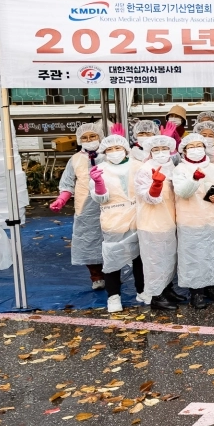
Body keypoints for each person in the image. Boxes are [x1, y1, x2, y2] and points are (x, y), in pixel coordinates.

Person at [172, 134, 214, 309]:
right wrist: (194, 179)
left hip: (213, 218)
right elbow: (183, 192)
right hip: (190, 219)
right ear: (184, 150)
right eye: (191, 146)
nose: (196, 149)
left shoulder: (212, 167)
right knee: (194, 256)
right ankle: (196, 291)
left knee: (213, 253)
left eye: (199, 145)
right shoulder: (180, 169)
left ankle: (211, 286)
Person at [89, 134, 142, 313]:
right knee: (112, 258)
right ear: (103, 152)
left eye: (117, 148)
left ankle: (142, 291)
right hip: (113, 219)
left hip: (139, 216)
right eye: (109, 149)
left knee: (140, 258)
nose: (113, 152)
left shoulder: (137, 166)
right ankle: (113, 296)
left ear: (125, 149)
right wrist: (98, 183)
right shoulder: (100, 169)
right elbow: (100, 198)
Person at [50, 122, 106, 291]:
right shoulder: (75, 159)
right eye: (85, 138)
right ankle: (96, 276)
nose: (89, 140)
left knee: (111, 239)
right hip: (86, 207)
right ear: (79, 140)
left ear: (100, 137)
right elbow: (67, 183)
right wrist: (61, 199)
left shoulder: (109, 155)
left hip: (110, 204)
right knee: (87, 241)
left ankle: (113, 274)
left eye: (92, 136)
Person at [134, 135, 181, 311]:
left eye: (164, 148)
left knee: (169, 258)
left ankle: (167, 289)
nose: (161, 152)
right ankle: (156, 296)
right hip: (152, 223)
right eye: (156, 149)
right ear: (149, 151)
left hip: (169, 220)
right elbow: (148, 197)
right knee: (154, 261)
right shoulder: (145, 169)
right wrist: (155, 185)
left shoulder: (172, 167)